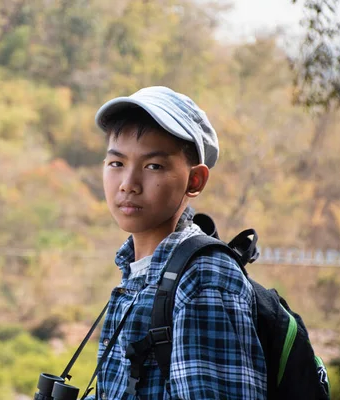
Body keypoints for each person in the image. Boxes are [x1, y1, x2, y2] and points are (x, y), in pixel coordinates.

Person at [91, 86, 267, 399]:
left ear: (194, 180)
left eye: (153, 166)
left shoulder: (203, 279)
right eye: (117, 163)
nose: (128, 184)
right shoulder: (141, 269)